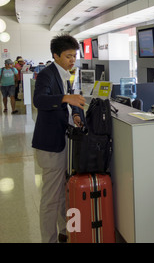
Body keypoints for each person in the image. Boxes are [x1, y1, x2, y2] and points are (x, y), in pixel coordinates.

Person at [32, 34, 85, 243]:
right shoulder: (47, 74)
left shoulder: (65, 74)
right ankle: (49, 239)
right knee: (50, 199)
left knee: (64, 192)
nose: (72, 60)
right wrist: (65, 98)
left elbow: (69, 100)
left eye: (74, 56)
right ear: (55, 55)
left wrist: (75, 113)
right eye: (68, 56)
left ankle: (65, 231)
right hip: (50, 144)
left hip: (63, 141)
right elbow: (39, 100)